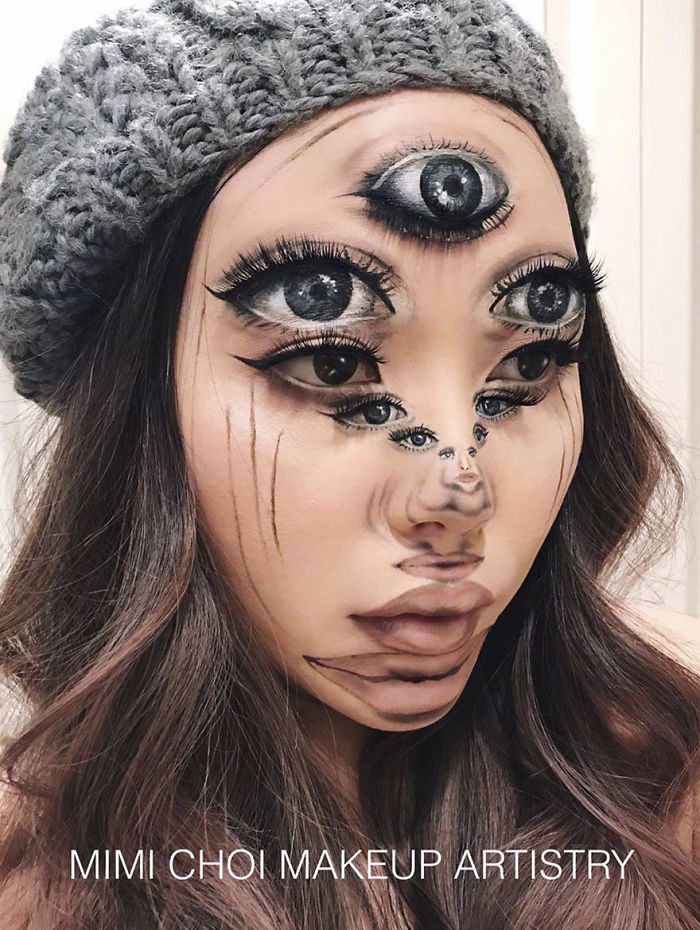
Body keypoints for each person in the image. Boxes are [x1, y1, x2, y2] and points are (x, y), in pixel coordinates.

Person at [0, 0, 698, 927]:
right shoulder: (33, 888)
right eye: (332, 362)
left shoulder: (669, 781)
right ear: (133, 403)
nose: (459, 495)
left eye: (530, 363)